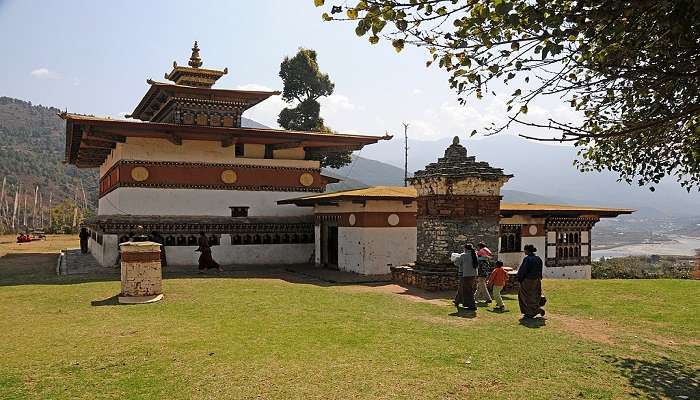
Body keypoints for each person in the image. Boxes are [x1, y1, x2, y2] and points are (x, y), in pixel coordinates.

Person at [517, 244, 545, 318]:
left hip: (528, 280)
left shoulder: (527, 259)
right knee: (534, 295)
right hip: (536, 279)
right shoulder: (538, 258)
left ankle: (530, 312)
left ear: (527, 250)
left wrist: (520, 278)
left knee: (525, 296)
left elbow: (523, 270)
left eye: (525, 250)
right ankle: (534, 309)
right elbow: (540, 269)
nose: (524, 251)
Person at [453, 243, 479, 311]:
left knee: (468, 290)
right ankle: (457, 301)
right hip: (473, 274)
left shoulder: (463, 255)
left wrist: (455, 258)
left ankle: (472, 305)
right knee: (462, 287)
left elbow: (457, 263)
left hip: (465, 274)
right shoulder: (474, 254)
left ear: (465, 248)